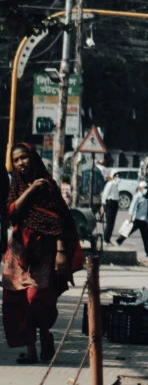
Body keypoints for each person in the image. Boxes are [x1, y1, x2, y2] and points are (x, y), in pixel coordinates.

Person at [3, 144, 82, 364]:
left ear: (33, 157)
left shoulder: (49, 186)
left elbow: (60, 221)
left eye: (24, 158)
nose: (21, 163)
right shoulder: (17, 187)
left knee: (36, 299)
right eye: (16, 160)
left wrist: (60, 252)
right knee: (19, 302)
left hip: (44, 253)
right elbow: (12, 212)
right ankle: (31, 351)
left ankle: (45, 333)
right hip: (19, 251)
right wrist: (30, 189)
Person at [116, 181, 148, 256]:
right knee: (129, 231)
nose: (145, 189)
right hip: (137, 219)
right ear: (139, 188)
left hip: (144, 220)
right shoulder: (137, 196)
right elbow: (132, 206)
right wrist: (130, 216)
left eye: (146, 188)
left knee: (146, 236)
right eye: (144, 188)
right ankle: (119, 241)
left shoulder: (147, 197)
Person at [100, 172, 121, 245]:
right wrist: (103, 204)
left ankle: (108, 238)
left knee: (112, 222)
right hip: (110, 202)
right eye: (116, 176)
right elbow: (105, 194)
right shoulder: (110, 184)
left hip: (115, 203)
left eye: (119, 176)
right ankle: (106, 239)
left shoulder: (116, 185)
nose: (118, 178)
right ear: (113, 177)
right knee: (109, 222)